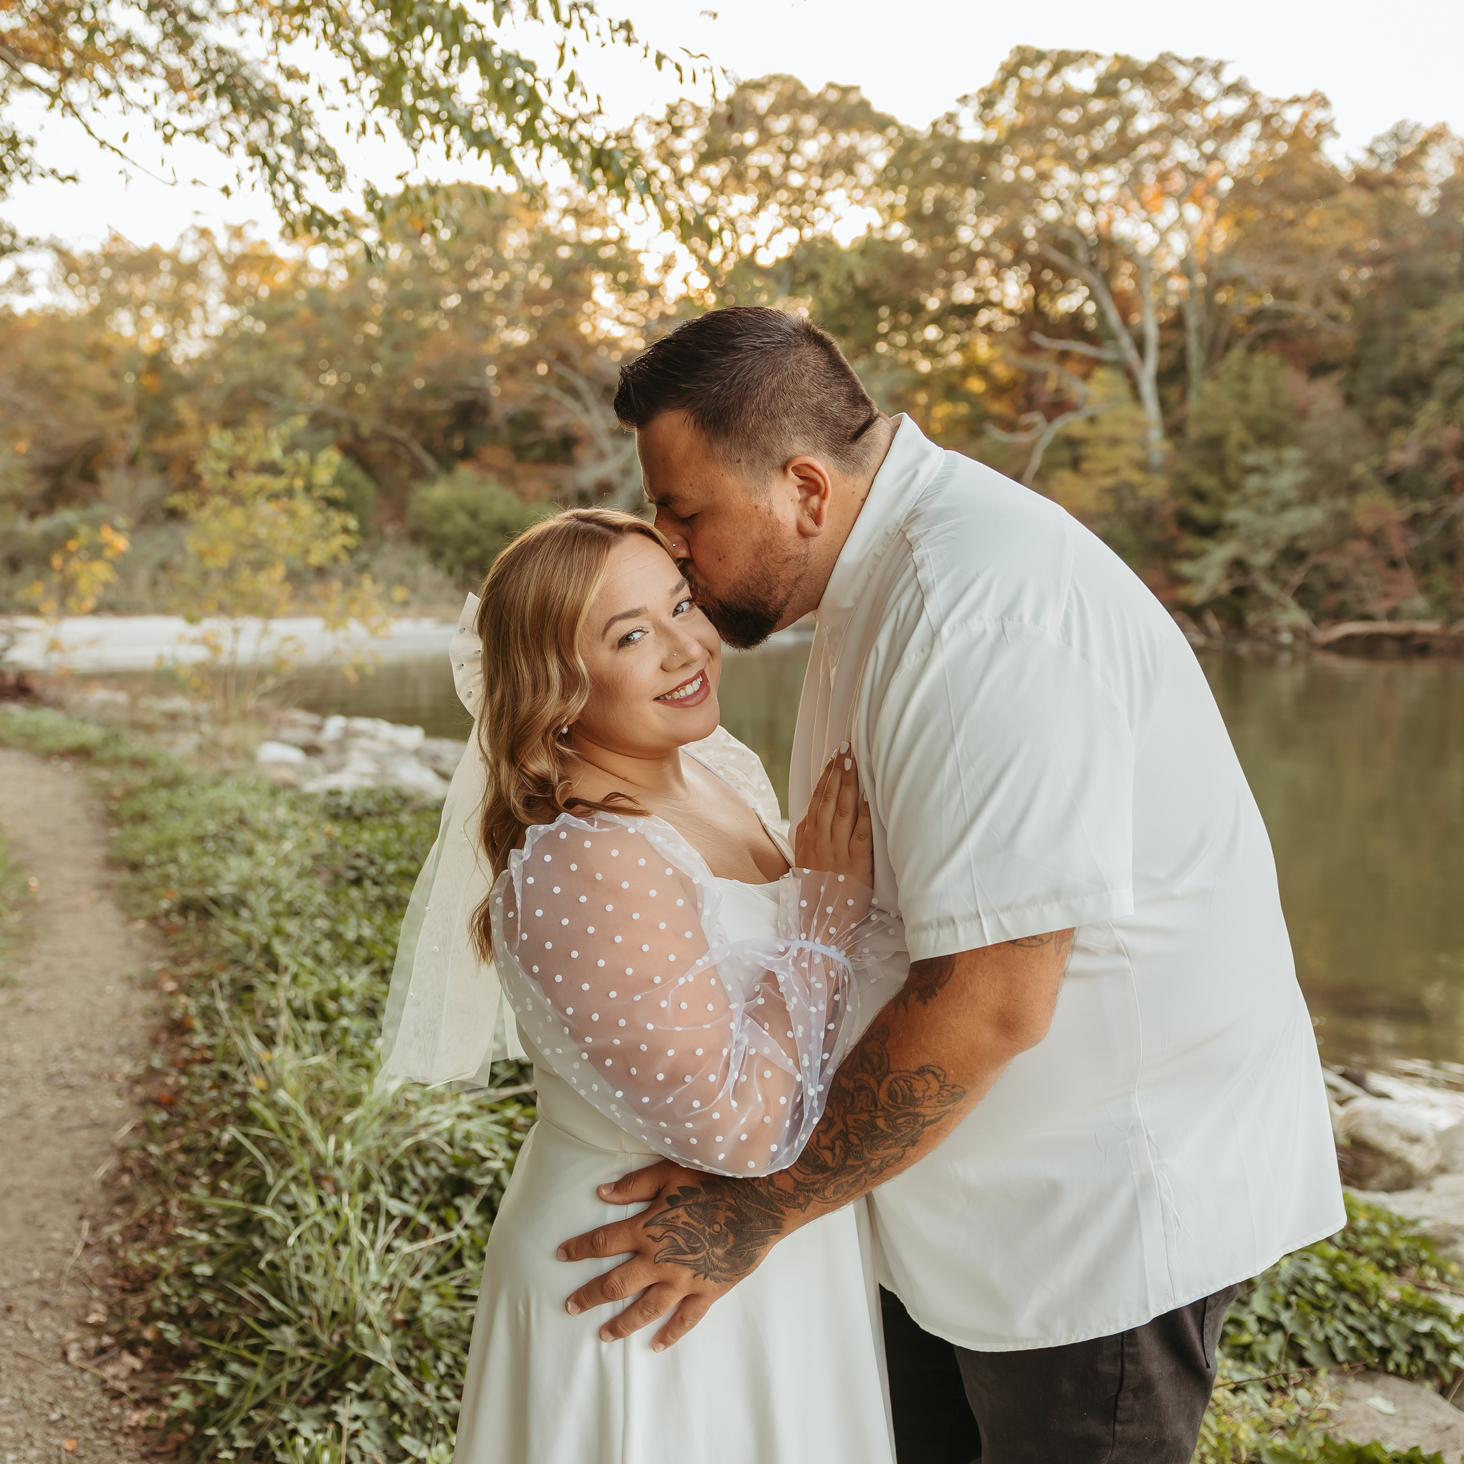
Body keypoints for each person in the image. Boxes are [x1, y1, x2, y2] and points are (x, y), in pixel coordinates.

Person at [549, 307, 1348, 1464]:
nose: (670, 548)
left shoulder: (976, 614)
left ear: (805, 490)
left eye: (687, 514)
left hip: (1089, 1224)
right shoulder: (868, 573)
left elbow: (995, 997)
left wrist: (763, 1207)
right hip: (949, 1200)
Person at [378, 508, 909, 1463]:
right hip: (647, 1272)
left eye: (680, 605)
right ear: (556, 686)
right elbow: (739, 1128)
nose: (685, 647)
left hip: (756, 1245)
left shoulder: (710, 767)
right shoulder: (588, 855)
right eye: (630, 636)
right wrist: (825, 908)